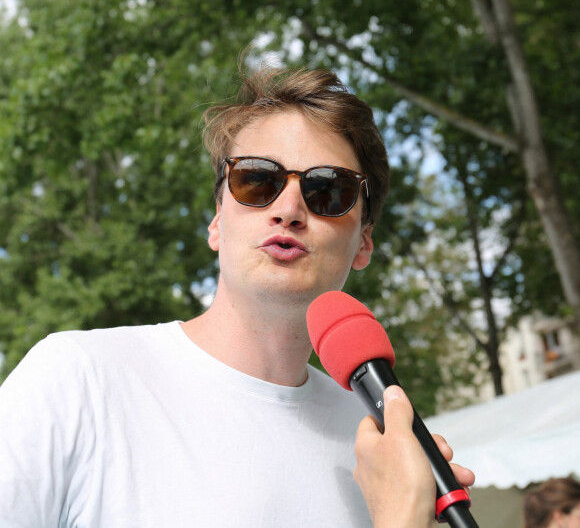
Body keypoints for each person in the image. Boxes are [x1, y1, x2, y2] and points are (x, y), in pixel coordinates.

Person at [0, 63, 473, 527]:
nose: (288, 209)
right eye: (257, 181)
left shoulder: (381, 445)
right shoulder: (79, 380)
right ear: (216, 222)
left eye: (327, 190)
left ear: (364, 243)